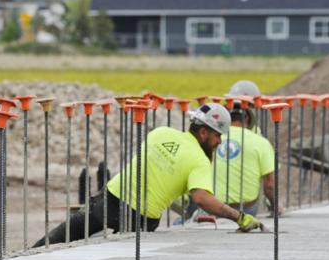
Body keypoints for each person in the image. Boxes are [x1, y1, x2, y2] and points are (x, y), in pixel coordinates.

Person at [34, 101, 264, 246]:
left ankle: (32, 256)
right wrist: (239, 217)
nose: (219, 142)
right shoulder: (200, 161)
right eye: (218, 136)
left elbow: (161, 171)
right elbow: (202, 198)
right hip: (140, 220)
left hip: (108, 201)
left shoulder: (161, 133)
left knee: (59, 238)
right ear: (204, 132)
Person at [211, 104, 278, 218]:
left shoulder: (212, 138)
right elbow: (270, 185)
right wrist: (275, 207)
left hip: (213, 206)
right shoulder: (261, 142)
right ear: (247, 119)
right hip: (245, 208)